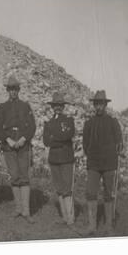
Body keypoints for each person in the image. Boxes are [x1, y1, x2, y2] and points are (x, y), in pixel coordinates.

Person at [0, 76, 36, 223]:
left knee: (24, 176)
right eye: (10, 89)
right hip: (9, 146)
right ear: (7, 90)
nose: (13, 91)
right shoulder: (2, 107)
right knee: (14, 175)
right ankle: (18, 208)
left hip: (23, 146)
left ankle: (26, 211)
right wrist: (9, 140)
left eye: (15, 89)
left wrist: (23, 139)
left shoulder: (25, 106)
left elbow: (32, 126)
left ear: (19, 90)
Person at [82, 90, 123, 236]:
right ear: (94, 105)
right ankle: (92, 226)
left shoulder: (113, 122)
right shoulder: (89, 123)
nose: (98, 107)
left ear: (105, 105)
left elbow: (119, 140)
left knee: (108, 193)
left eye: (101, 104)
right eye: (96, 104)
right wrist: (91, 154)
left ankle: (108, 225)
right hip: (93, 164)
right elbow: (85, 143)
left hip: (109, 164)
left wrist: (118, 146)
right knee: (91, 193)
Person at [42, 92, 76, 225]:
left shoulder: (69, 120)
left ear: (63, 106)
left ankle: (71, 217)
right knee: (59, 188)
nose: (57, 108)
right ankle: (64, 216)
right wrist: (59, 138)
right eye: (55, 105)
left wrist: (54, 138)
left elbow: (68, 135)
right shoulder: (49, 123)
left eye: (60, 105)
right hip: (54, 159)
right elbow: (46, 141)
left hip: (66, 158)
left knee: (67, 187)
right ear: (52, 107)